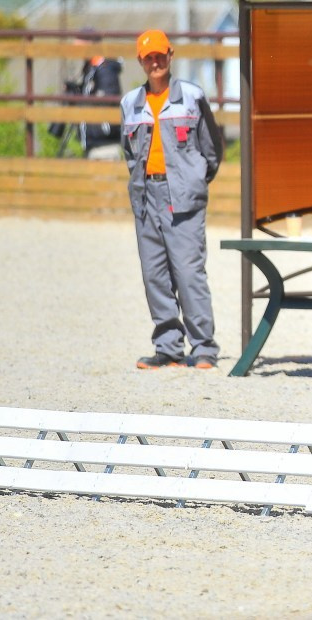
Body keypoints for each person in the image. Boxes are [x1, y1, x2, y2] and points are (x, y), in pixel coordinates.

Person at [120, 28, 224, 369]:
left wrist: (194, 180)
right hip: (145, 195)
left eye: (160, 55)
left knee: (188, 271)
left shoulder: (192, 97)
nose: (155, 63)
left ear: (170, 55)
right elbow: (128, 152)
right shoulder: (129, 104)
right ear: (140, 61)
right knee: (154, 273)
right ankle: (167, 347)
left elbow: (213, 149)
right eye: (148, 57)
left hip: (184, 196)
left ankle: (204, 347)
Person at [76, 29, 123, 160]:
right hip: (94, 142)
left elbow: (107, 98)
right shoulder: (90, 70)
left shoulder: (105, 69)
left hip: (104, 144)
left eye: (79, 47)